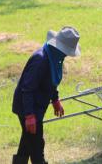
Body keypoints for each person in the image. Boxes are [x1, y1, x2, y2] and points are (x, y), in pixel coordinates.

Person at [12, 27, 80, 164]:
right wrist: (30, 116)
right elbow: (27, 89)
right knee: (37, 148)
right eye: (66, 52)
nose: (67, 55)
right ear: (60, 48)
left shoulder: (54, 59)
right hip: (28, 107)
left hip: (37, 107)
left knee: (27, 143)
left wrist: (55, 100)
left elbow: (51, 82)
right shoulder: (41, 60)